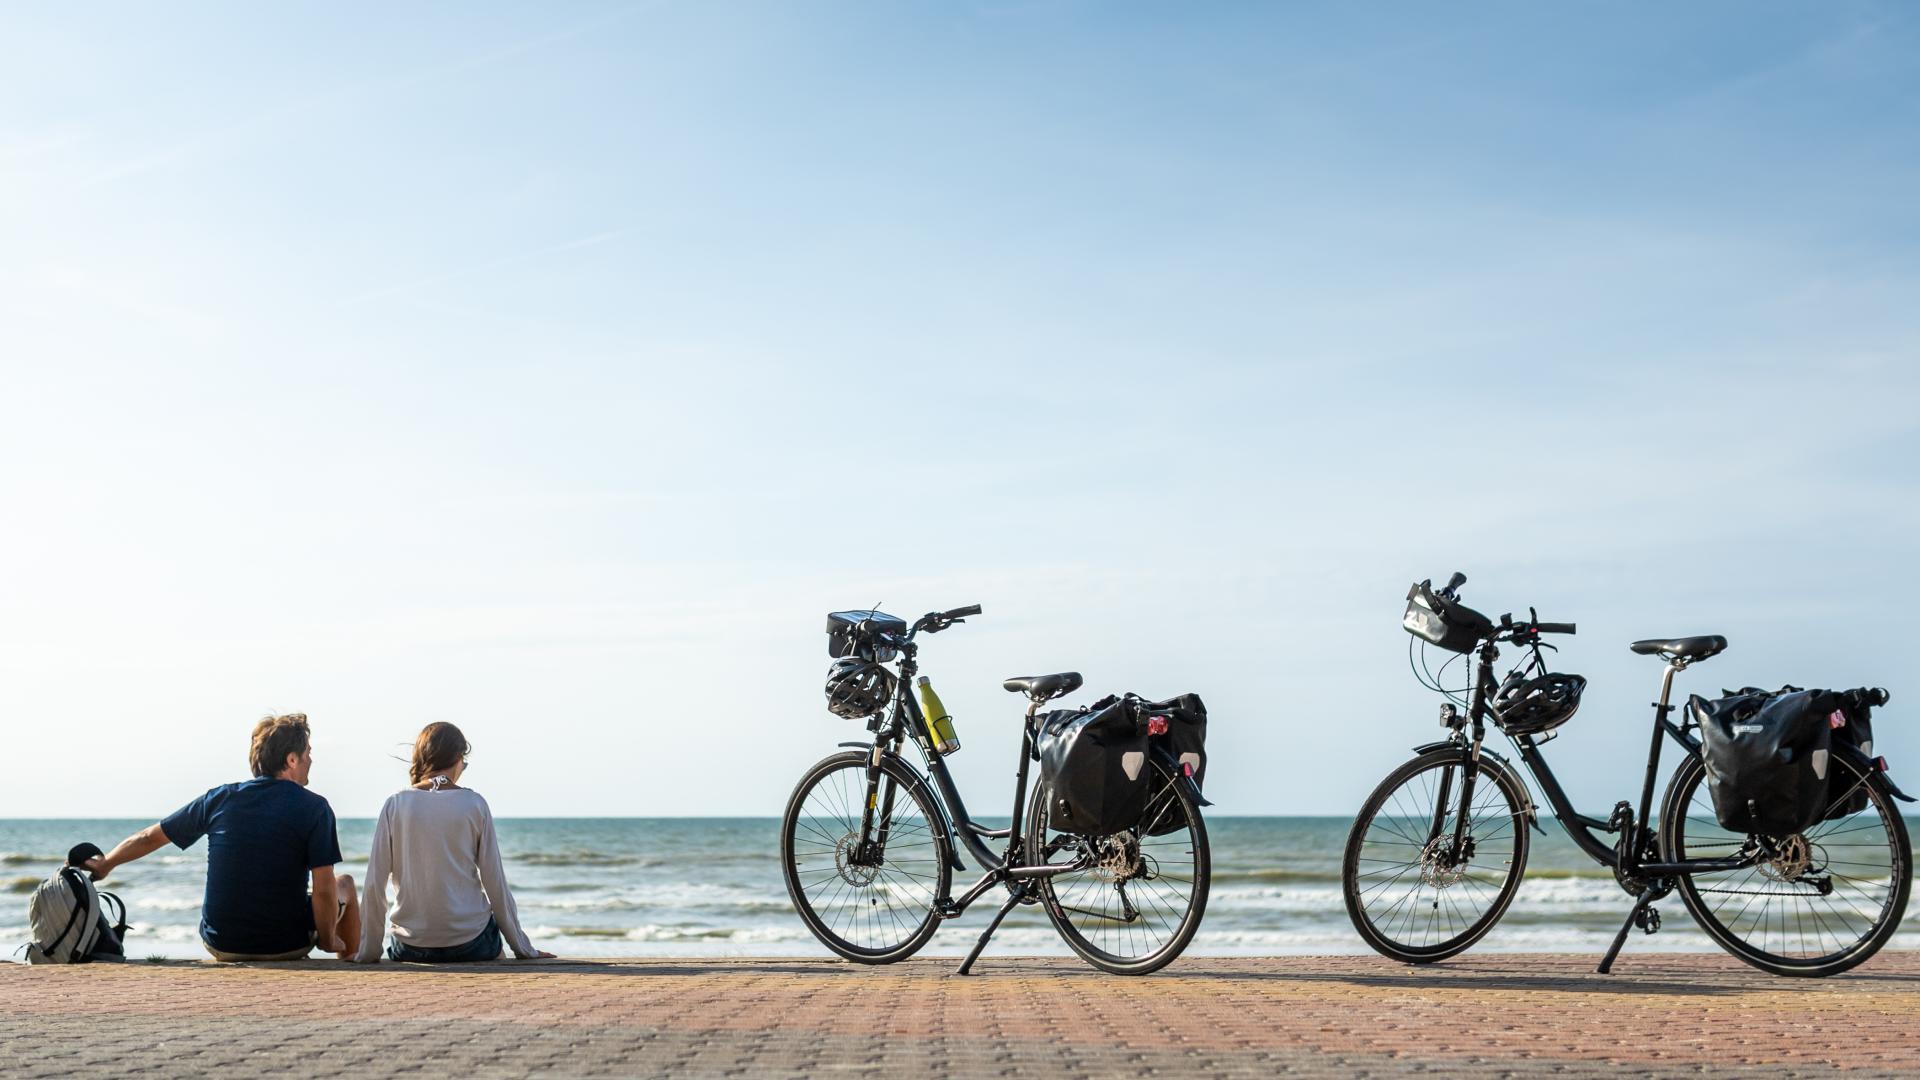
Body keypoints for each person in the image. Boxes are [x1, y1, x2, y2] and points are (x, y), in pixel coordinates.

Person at [87, 713, 358, 962]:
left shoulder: (220, 798)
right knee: (343, 882)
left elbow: (149, 837)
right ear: (291, 759)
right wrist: (326, 938)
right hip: (286, 943)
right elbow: (323, 888)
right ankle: (349, 963)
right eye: (308, 753)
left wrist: (107, 863)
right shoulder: (315, 807)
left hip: (222, 943)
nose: (311, 760)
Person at [352, 722, 552, 963]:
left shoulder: (395, 804)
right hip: (471, 941)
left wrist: (368, 952)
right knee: (496, 956)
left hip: (410, 945)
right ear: (458, 758)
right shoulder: (474, 804)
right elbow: (495, 882)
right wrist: (523, 949)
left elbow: (375, 883)